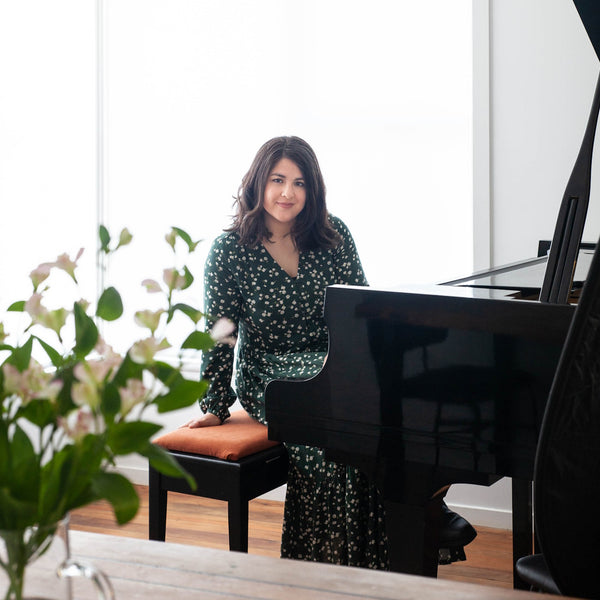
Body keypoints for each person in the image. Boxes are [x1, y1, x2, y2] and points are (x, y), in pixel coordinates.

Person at [184, 135, 475, 569]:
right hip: (269, 371)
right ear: (258, 182)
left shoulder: (333, 235)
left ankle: (418, 506)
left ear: (312, 189)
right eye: (278, 179)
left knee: (385, 409)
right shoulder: (229, 252)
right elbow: (220, 334)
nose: (288, 193)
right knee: (342, 431)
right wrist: (215, 404)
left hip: (336, 364)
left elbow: (363, 313)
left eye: (300, 183)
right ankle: (344, 561)